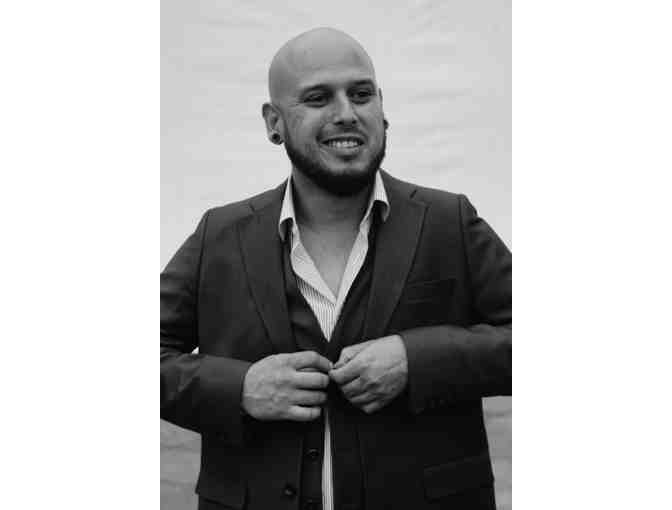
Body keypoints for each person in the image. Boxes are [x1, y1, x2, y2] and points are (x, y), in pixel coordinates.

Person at [161, 27, 511, 510]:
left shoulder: (449, 222)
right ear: (274, 122)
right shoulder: (218, 236)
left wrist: (418, 360)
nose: (346, 113)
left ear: (383, 108)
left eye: (361, 94)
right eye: (318, 98)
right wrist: (239, 389)